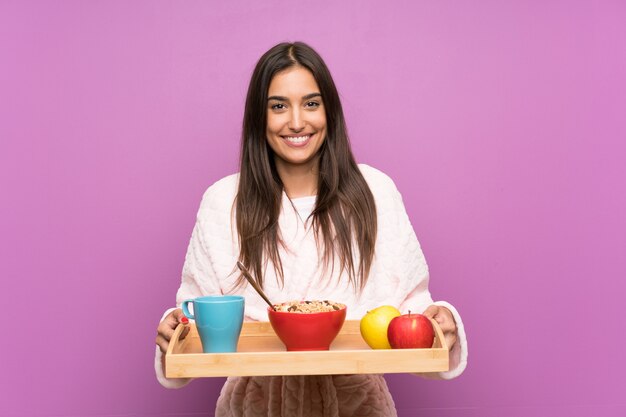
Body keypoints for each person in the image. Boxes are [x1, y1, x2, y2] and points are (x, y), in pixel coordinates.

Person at [155, 41, 468, 417]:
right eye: (278, 106)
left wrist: (441, 324)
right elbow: (195, 317)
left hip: (357, 405)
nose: (297, 122)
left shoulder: (376, 192)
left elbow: (412, 312)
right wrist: (173, 330)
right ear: (259, 116)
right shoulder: (224, 201)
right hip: (254, 407)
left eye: (311, 103)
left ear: (329, 111)